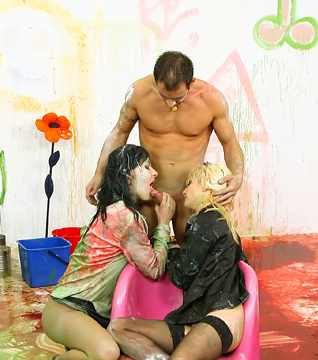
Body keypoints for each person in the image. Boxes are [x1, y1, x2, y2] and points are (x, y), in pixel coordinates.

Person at [108, 163, 271, 360]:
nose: (184, 192)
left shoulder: (205, 222)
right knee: (119, 327)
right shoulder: (222, 223)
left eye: (190, 184)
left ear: (206, 188)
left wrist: (165, 236)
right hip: (201, 321)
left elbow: (181, 276)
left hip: (220, 319)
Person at [42, 144, 173, 360]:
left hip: (88, 313)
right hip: (68, 309)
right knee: (106, 355)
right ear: (127, 174)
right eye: (147, 167)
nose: (155, 173)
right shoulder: (123, 216)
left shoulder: (114, 210)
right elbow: (154, 269)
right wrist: (164, 223)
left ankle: (81, 348)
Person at [84, 51, 245, 241]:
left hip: (189, 194)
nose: (170, 103)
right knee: (142, 247)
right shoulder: (138, 93)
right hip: (150, 192)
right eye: (164, 96)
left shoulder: (212, 100)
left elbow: (230, 143)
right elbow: (119, 133)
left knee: (191, 248)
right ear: (155, 79)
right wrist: (99, 173)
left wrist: (238, 175)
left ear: (191, 82)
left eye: (178, 98)